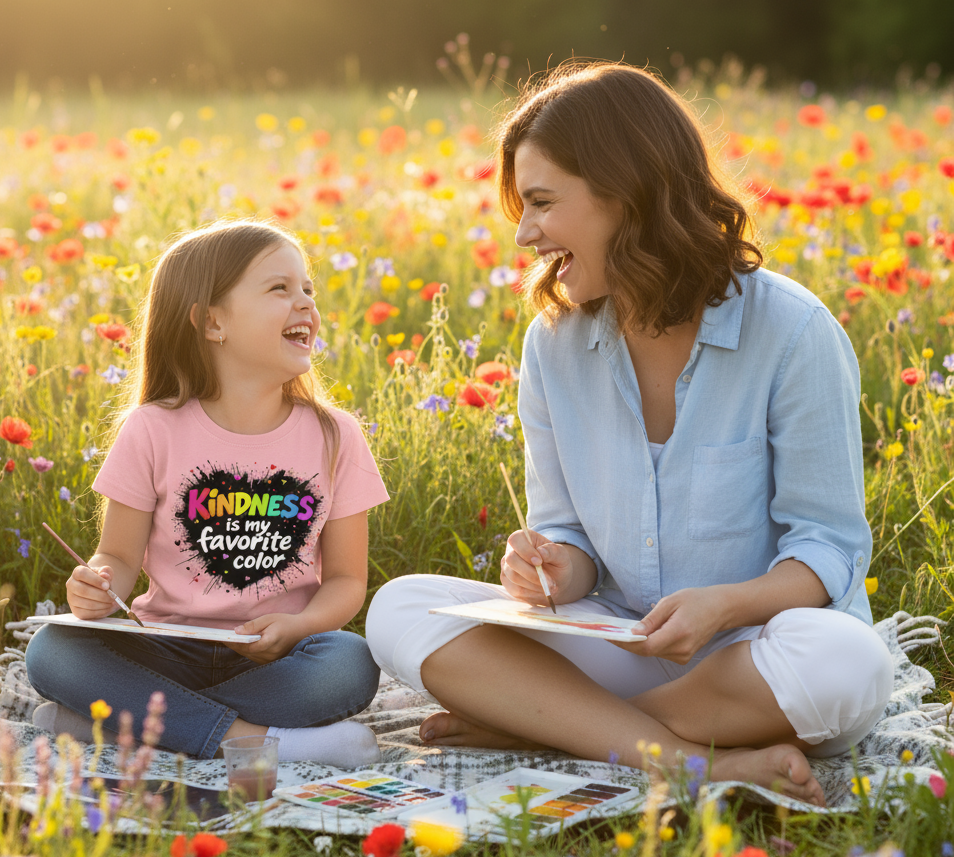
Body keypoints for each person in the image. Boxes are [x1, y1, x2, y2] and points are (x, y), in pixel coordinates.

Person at [364, 63, 893, 806]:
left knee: (848, 662)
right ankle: (684, 758)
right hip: (620, 645)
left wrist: (724, 606)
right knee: (401, 607)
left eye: (543, 203)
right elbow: (567, 532)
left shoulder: (794, 332)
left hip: (757, 659)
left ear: (624, 193)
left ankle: (549, 729)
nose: (524, 235)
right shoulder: (553, 344)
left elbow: (828, 549)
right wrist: (549, 568)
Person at [27, 220, 387, 769]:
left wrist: (298, 626)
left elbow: (345, 581)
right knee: (53, 652)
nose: (306, 305)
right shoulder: (151, 429)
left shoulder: (338, 436)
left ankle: (131, 723)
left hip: (279, 656)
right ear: (213, 322)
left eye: (308, 289)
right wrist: (98, 585)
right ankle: (256, 740)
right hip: (168, 648)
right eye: (279, 289)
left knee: (351, 662)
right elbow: (119, 558)